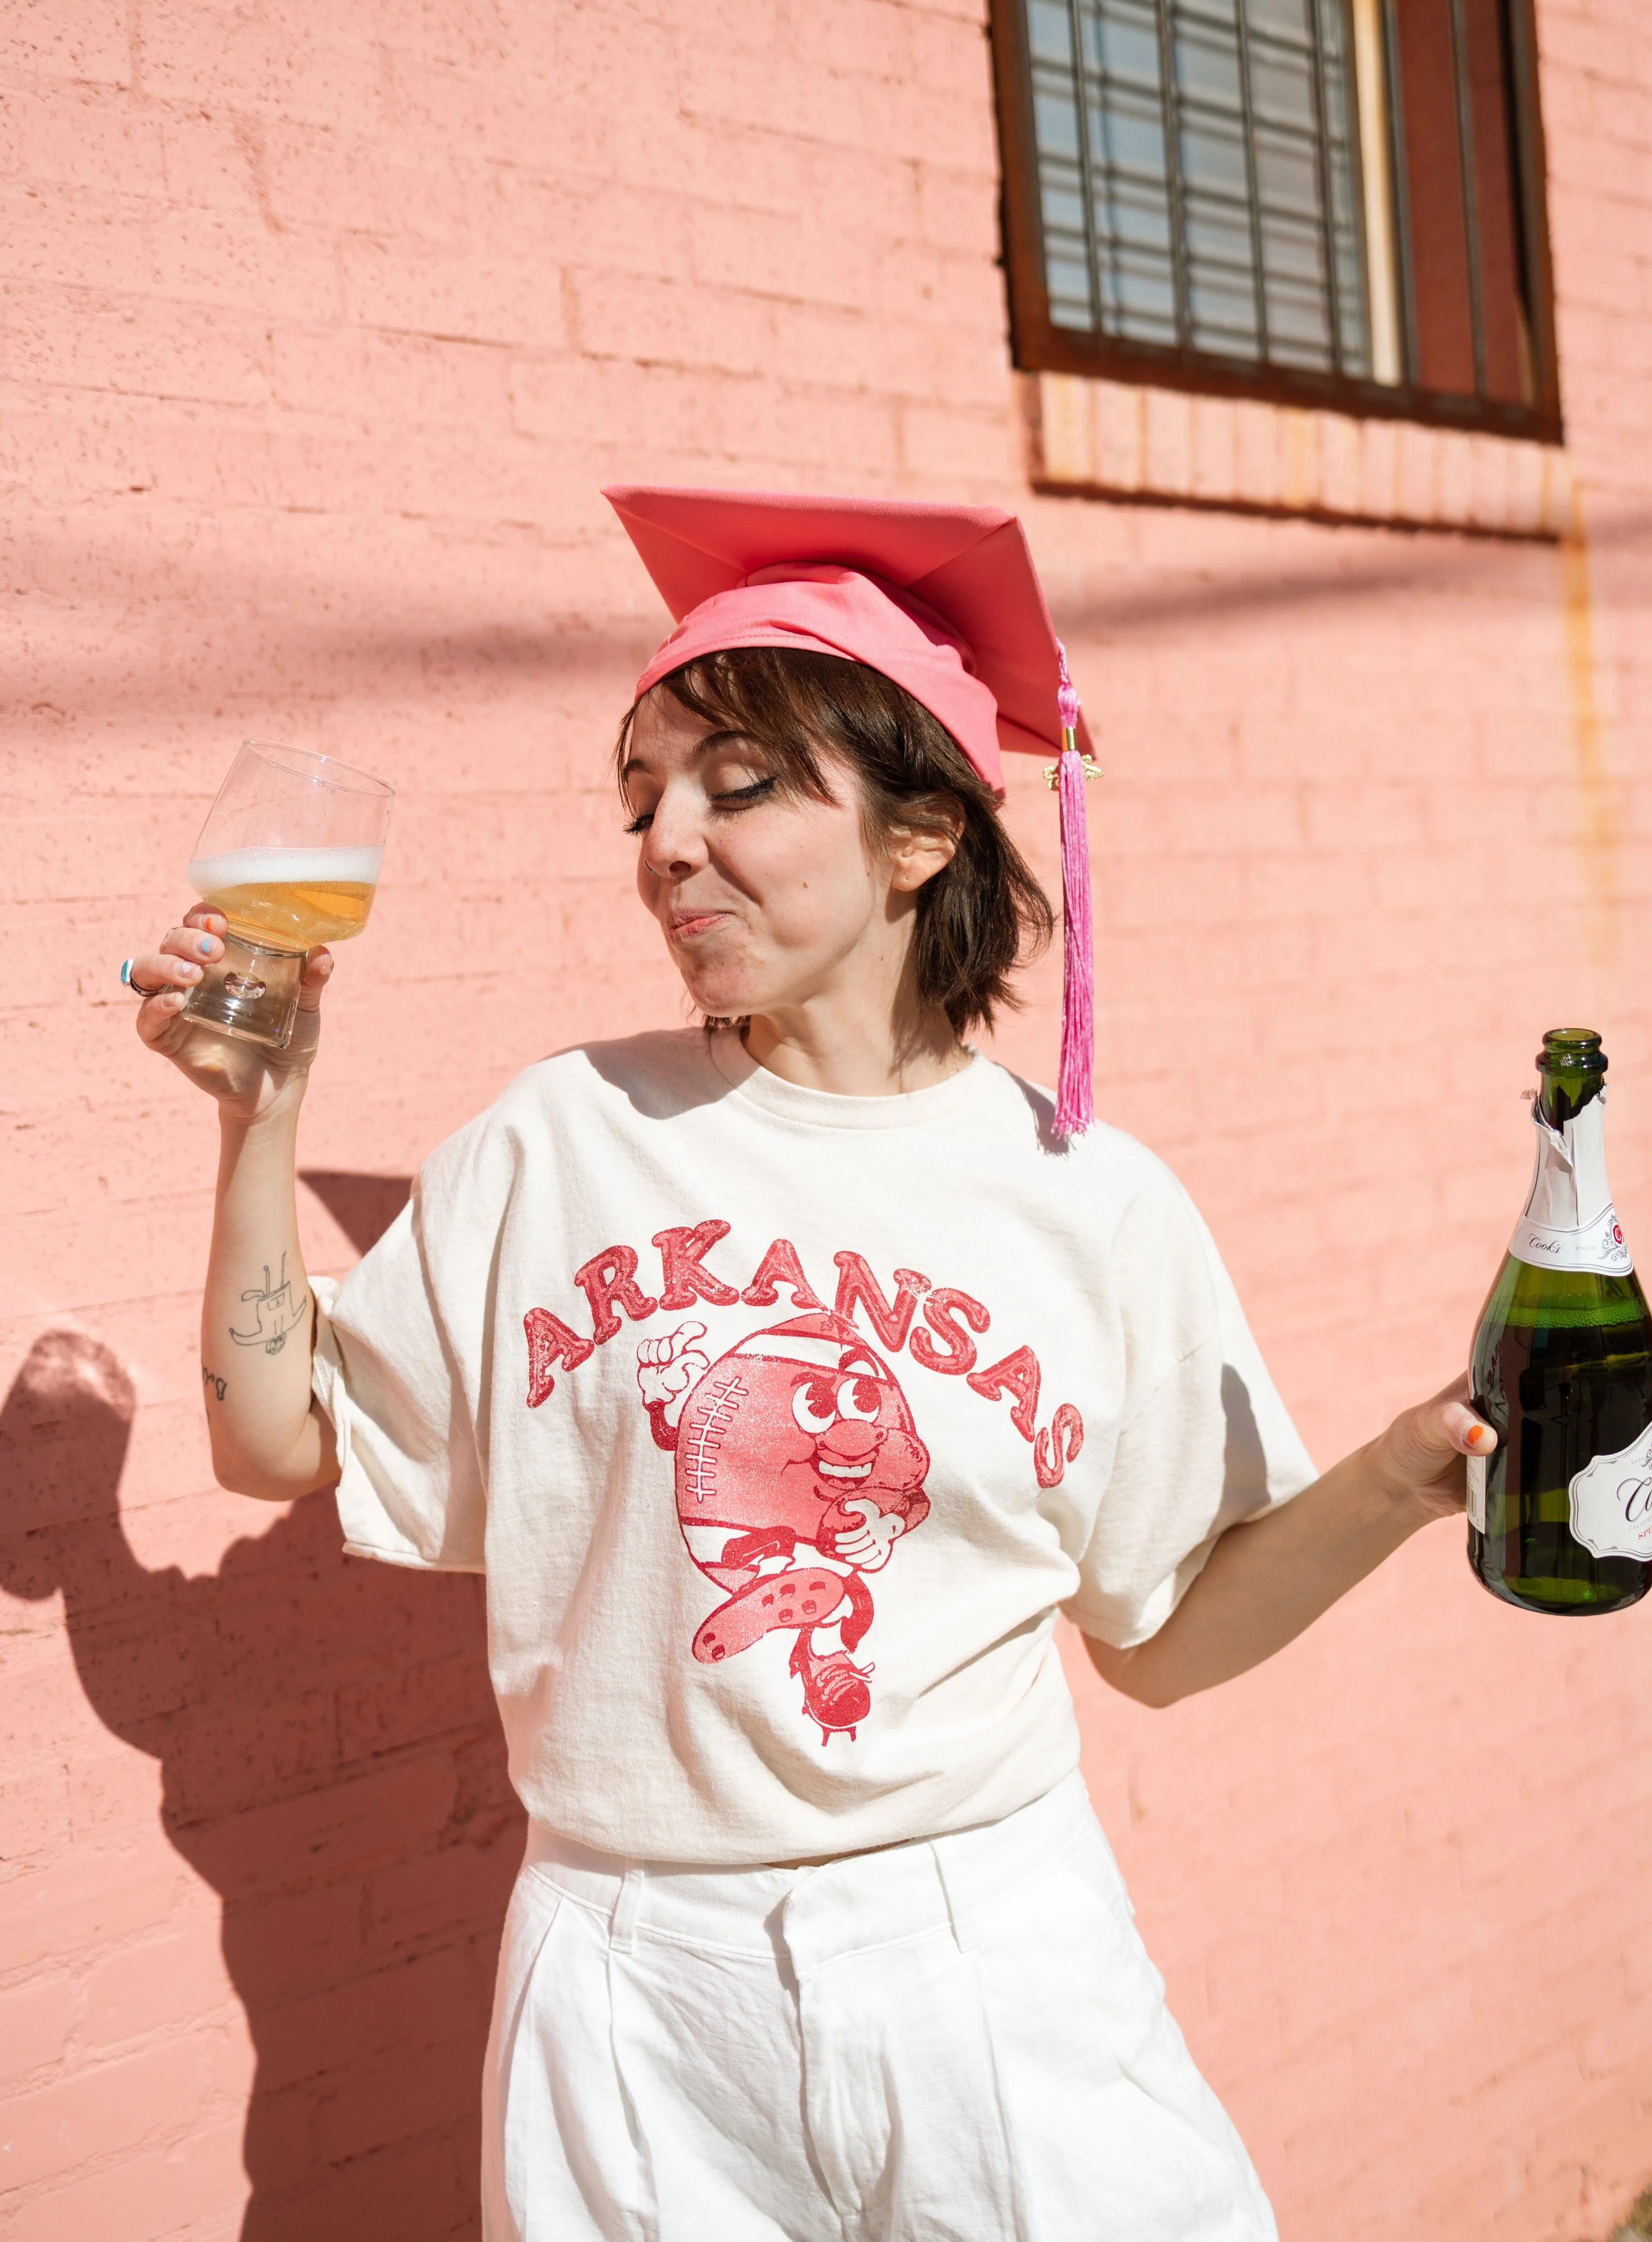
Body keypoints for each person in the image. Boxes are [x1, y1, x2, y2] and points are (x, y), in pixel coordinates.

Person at [126, 486, 1492, 2242]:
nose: (666, 843)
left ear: (923, 838)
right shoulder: (561, 1139)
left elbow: (1157, 1642)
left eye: (740, 784)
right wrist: (263, 1116)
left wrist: (1396, 1472)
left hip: (987, 1956)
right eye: (644, 798)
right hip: (630, 1989)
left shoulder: (1097, 1206)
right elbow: (273, 1441)